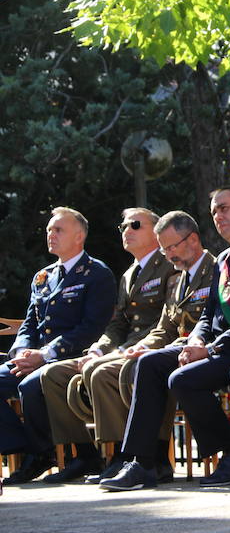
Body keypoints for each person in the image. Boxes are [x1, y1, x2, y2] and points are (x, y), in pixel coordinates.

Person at [100, 186, 230, 491]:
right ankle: (143, 462)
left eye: (225, 208)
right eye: (214, 211)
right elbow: (209, 314)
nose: (218, 215)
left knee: (183, 379)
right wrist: (196, 340)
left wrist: (210, 348)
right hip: (218, 348)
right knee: (151, 363)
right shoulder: (224, 259)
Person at [39, 208, 177, 483]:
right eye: (124, 226)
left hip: (154, 347)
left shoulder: (169, 265)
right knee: (53, 375)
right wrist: (98, 349)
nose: (127, 230)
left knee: (99, 372)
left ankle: (128, 456)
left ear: (157, 230)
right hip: (124, 347)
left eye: (135, 225)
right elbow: (117, 324)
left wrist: (119, 352)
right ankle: (86, 455)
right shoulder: (129, 275)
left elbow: (168, 321)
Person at [1, 207, 116, 484]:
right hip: (35, 358)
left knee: (32, 385)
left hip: (71, 357)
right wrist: (21, 353)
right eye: (49, 230)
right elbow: (29, 324)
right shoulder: (42, 277)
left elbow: (92, 328)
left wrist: (44, 355)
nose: (51, 235)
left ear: (79, 237)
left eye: (58, 230)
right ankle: (33, 449)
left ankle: (62, 455)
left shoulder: (97, 274)